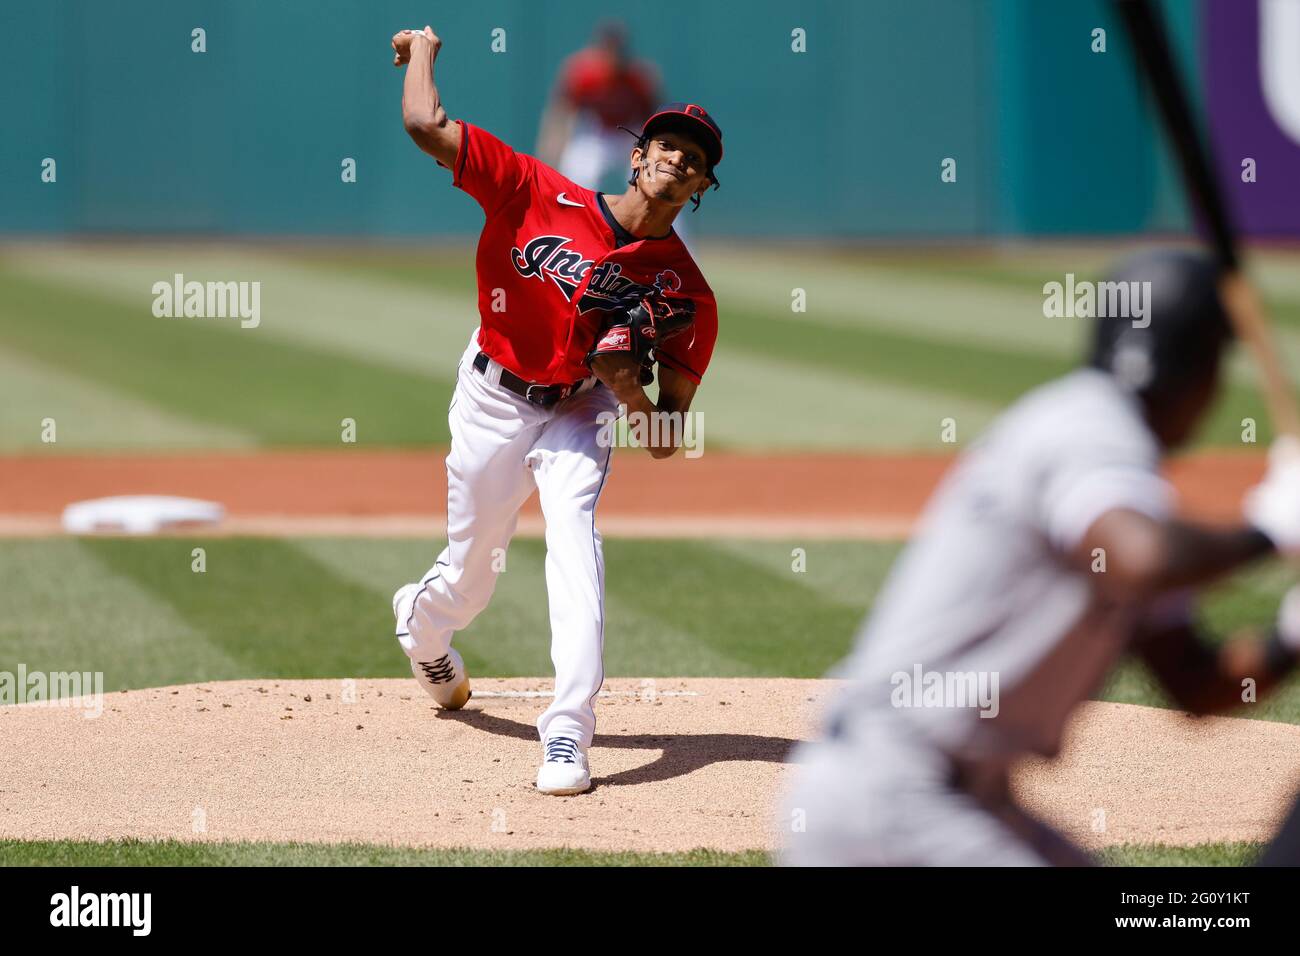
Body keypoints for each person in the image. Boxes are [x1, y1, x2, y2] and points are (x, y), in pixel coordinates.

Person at [781, 248, 1300, 865]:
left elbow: (1197, 685)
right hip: (894, 798)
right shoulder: (1088, 427)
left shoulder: (1124, 485)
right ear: (1197, 366)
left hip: (959, 800)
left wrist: (1289, 636)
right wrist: (1272, 527)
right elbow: (1143, 559)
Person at [389, 26, 722, 795]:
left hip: (583, 407)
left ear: (700, 188)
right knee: (470, 578)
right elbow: (423, 125)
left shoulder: (688, 294)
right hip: (492, 395)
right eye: (667, 146)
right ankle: (422, 623)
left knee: (576, 547)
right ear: (636, 156)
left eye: (694, 160)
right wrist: (427, 50)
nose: (678, 160)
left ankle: (567, 734)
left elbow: (667, 439)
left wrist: (629, 390)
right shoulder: (535, 188)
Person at [535, 20, 660, 192]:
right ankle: (574, 217)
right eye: (608, 48)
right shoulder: (584, 73)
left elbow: (655, 117)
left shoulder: (639, 78)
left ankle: (670, 219)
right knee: (579, 175)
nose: (613, 54)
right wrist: (550, 151)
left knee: (654, 179)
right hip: (598, 134)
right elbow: (560, 115)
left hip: (631, 134)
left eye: (617, 49)